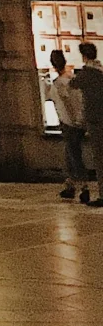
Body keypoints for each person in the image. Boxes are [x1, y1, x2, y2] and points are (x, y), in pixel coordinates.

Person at [50, 49, 89, 202]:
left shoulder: (59, 84)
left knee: (73, 155)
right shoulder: (73, 79)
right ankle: (70, 185)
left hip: (69, 122)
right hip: (78, 122)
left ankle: (83, 187)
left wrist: (74, 120)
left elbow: (65, 105)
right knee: (70, 154)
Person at [71, 43, 103, 208]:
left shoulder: (87, 74)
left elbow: (73, 85)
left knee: (99, 158)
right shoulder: (100, 72)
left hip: (96, 121)